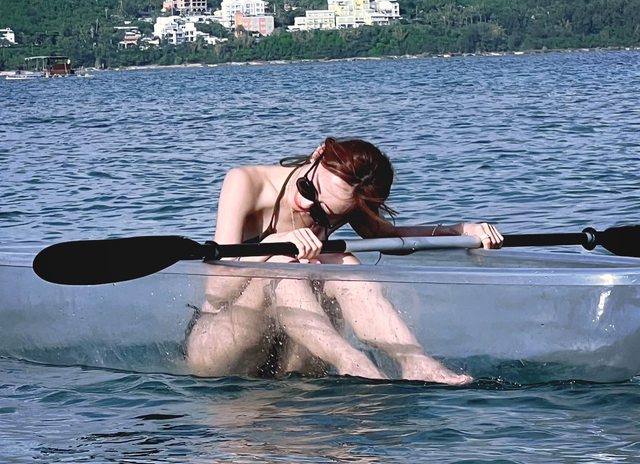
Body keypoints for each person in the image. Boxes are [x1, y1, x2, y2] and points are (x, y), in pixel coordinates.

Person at [185, 137, 503, 384]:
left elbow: (392, 238)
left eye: (323, 213)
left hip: (294, 354)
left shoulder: (349, 199)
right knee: (286, 264)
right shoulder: (246, 182)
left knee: (344, 263)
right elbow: (217, 290)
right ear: (319, 154)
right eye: (308, 188)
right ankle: (353, 362)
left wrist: (460, 230)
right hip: (223, 345)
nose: (307, 204)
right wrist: (274, 244)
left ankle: (415, 361)